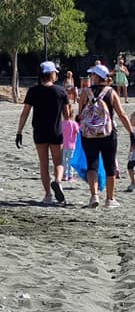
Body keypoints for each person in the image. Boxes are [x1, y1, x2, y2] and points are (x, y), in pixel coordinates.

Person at [78, 64, 135, 208]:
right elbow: (121, 114)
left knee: (92, 164)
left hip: (89, 134)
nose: (91, 77)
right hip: (108, 133)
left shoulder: (85, 92)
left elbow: (80, 114)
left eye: (92, 75)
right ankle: (110, 199)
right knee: (109, 165)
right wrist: (131, 132)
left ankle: (94, 195)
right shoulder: (111, 92)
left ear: (97, 77)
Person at [15, 61, 71, 205]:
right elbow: (67, 115)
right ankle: (58, 181)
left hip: (39, 131)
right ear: (51, 74)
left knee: (43, 163)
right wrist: (70, 131)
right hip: (56, 131)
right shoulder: (60, 91)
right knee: (58, 162)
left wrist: (19, 132)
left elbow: (25, 113)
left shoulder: (33, 91)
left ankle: (47, 195)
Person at [61, 113, 80, 183]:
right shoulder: (74, 124)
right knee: (70, 161)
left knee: (63, 160)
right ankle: (70, 176)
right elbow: (78, 132)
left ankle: (64, 175)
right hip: (72, 145)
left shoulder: (62, 123)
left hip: (63, 145)